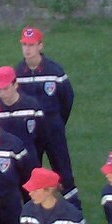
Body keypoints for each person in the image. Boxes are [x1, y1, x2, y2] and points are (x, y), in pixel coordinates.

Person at [16, 27, 78, 204]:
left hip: (53, 129)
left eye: (31, 45)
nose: (27, 49)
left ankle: (74, 211)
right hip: (30, 132)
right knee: (32, 173)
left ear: (40, 46)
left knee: (63, 171)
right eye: (24, 45)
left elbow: (67, 98)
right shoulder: (18, 73)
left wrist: (57, 121)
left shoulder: (55, 71)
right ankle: (36, 213)